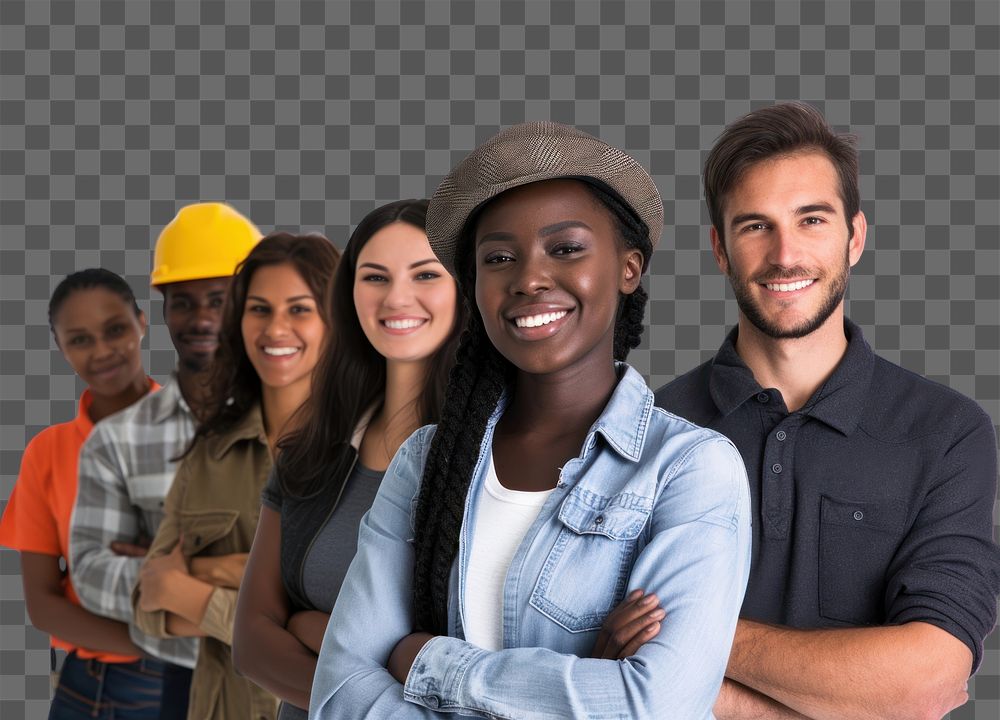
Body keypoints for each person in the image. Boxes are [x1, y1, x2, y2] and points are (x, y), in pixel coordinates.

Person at [308, 122, 752, 719]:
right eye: (498, 258)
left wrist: (427, 663)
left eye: (565, 248)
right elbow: (340, 697)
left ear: (629, 267)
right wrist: (584, 681)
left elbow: (654, 706)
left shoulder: (690, 470)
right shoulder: (423, 463)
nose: (529, 278)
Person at [654, 102, 1000, 719]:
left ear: (855, 237)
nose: (785, 254)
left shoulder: (947, 431)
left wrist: (693, 641)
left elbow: (927, 681)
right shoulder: (650, 428)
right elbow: (600, 653)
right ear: (720, 250)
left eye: (811, 219)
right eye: (755, 226)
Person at [230, 200, 464, 718]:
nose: (397, 297)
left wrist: (312, 626)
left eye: (425, 274)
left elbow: (474, 651)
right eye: (374, 277)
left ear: (463, 288)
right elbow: (251, 640)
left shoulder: (499, 453)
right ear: (349, 294)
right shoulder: (311, 448)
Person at [131, 233, 340, 720]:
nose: (275, 329)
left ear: (336, 322)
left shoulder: (371, 451)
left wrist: (198, 586)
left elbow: (354, 633)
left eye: (300, 309)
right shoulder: (209, 452)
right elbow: (149, 603)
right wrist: (270, 605)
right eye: (259, 309)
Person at [70, 202, 261, 718]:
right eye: (182, 301)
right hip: (173, 682)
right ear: (162, 310)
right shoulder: (117, 441)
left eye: (219, 300)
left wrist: (178, 577)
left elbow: (321, 577)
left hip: (289, 681)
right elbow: (88, 572)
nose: (200, 318)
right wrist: (242, 592)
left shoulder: (305, 426)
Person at [0, 269, 161, 718]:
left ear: (142, 323)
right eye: (80, 339)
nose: (103, 351)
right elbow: (42, 603)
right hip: (84, 683)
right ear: (61, 347)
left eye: (115, 330)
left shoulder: (203, 434)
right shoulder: (46, 453)